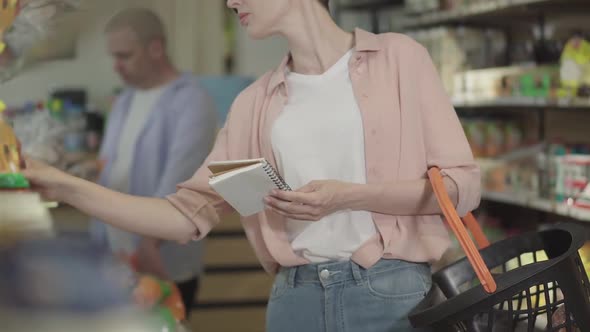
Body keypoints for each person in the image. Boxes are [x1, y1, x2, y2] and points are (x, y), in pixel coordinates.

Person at [23, 1, 480, 331]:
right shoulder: (252, 105)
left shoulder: (398, 59)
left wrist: (349, 196)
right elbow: (185, 217)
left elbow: (462, 187)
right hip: (294, 302)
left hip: (393, 294)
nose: (229, 3)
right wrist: (64, 186)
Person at [90, 8, 217, 313]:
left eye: (125, 56)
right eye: (114, 57)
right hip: (116, 262)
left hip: (160, 264)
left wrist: (147, 247)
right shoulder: (125, 100)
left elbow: (178, 187)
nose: (117, 66)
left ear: (156, 48)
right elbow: (111, 166)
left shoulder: (192, 102)